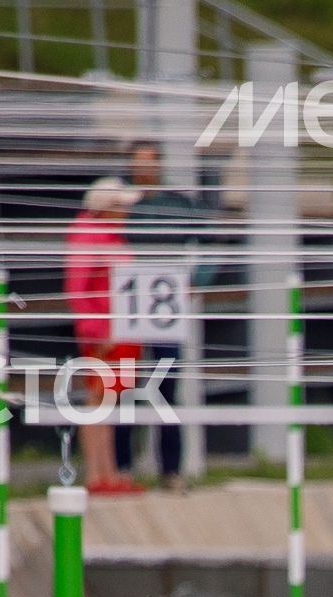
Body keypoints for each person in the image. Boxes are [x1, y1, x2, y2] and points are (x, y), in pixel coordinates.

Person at [120, 141, 207, 492]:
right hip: (127, 305)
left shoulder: (177, 205)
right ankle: (122, 467)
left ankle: (171, 469)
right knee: (123, 386)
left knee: (166, 386)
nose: (142, 170)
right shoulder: (122, 204)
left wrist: (193, 281)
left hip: (163, 308)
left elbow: (208, 242)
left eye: (148, 163)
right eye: (136, 163)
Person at [62, 177, 139, 493]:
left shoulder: (112, 238)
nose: (126, 213)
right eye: (121, 207)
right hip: (104, 335)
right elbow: (78, 291)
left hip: (121, 331)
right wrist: (97, 332)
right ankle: (96, 474)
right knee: (97, 400)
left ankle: (109, 472)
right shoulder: (88, 239)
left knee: (109, 401)